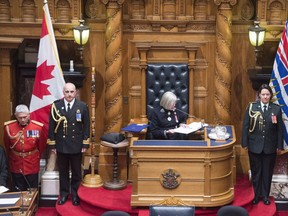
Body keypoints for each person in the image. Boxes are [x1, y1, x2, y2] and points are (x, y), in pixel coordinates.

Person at [47, 82, 90, 206]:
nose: (69, 94)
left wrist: (85, 144)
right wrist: (53, 145)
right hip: (61, 145)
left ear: (75, 92)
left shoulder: (82, 106)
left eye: (72, 92)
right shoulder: (56, 106)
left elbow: (86, 126)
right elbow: (52, 126)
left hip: (76, 145)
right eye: (67, 92)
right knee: (63, 172)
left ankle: (75, 194)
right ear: (63, 93)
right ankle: (64, 194)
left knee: (76, 172)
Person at [242, 84, 284, 205]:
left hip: (270, 147)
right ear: (259, 95)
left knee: (267, 173)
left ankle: (265, 195)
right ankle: (256, 195)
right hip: (254, 146)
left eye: (267, 94)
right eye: (263, 94)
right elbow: (245, 126)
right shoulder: (252, 107)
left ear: (270, 96)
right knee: (256, 172)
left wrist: (279, 146)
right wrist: (244, 143)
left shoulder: (276, 109)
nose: (265, 97)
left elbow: (280, 129)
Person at [3, 104, 46, 191]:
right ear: (15, 116)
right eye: (20, 117)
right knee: (18, 190)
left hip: (32, 163)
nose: (22, 120)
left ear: (29, 115)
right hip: (16, 163)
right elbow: (7, 146)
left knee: (32, 190)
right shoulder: (9, 127)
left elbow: (41, 145)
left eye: (25, 117)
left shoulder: (37, 127)